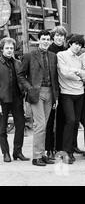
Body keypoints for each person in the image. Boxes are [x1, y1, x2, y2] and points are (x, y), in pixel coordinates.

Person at [18, 31, 60, 166]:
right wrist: (29, 88)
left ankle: (42, 154)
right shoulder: (29, 56)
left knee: (45, 125)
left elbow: (55, 77)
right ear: (39, 40)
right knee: (40, 125)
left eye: (48, 39)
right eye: (43, 39)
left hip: (50, 93)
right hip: (36, 93)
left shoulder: (53, 56)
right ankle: (36, 157)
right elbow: (20, 75)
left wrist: (56, 96)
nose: (46, 41)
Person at [57, 34, 85, 164]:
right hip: (66, 93)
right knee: (70, 120)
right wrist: (79, 74)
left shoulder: (79, 59)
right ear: (70, 43)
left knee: (76, 123)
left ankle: (72, 149)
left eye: (80, 45)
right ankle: (65, 152)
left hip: (79, 93)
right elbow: (64, 73)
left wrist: (79, 74)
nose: (78, 47)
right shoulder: (61, 55)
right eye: (76, 44)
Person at [0, 38, 26, 163]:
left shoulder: (18, 62)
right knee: (2, 128)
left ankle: (17, 152)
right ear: (2, 49)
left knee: (20, 125)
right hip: (2, 100)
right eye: (7, 48)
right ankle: (6, 153)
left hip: (17, 99)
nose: (9, 50)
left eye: (11, 48)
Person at [45, 26, 68, 159]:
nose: (59, 38)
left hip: (65, 89)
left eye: (62, 36)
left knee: (62, 120)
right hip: (53, 90)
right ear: (53, 37)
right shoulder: (49, 51)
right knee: (50, 120)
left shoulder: (65, 51)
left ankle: (59, 147)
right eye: (57, 36)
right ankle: (49, 148)